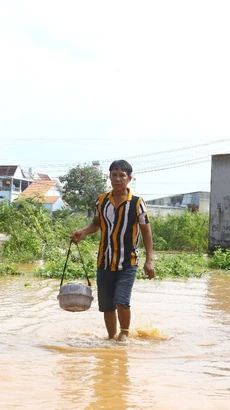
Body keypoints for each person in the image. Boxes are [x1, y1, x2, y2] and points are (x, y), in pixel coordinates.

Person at [71, 159, 154, 342]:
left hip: (128, 262)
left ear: (129, 178)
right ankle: (111, 338)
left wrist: (149, 260)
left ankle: (124, 334)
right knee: (107, 306)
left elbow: (147, 232)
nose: (117, 179)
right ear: (109, 177)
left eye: (121, 175)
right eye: (114, 175)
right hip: (104, 262)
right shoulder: (102, 201)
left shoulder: (137, 203)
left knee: (121, 302)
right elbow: (97, 223)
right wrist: (83, 231)